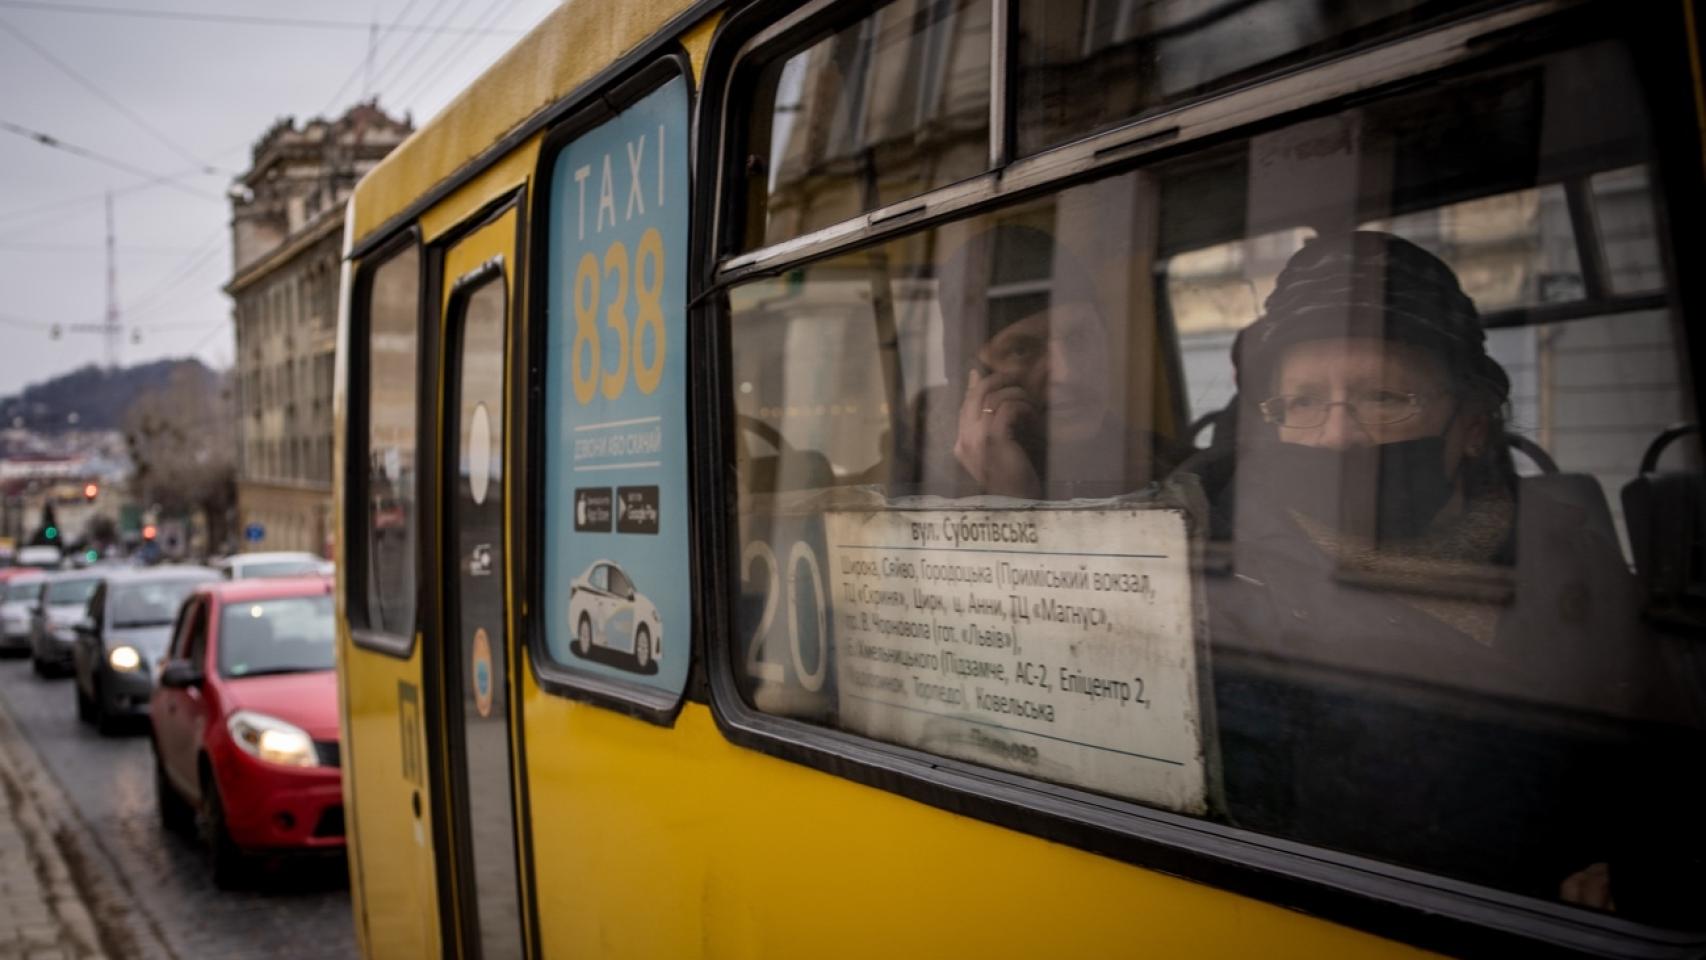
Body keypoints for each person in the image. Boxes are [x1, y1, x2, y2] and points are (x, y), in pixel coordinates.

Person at [1201, 230, 1703, 921]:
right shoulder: (1234, 574)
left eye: (1383, 397)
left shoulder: (1564, 542)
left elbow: (1666, 746)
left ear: (1470, 423)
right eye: (1305, 402)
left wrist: (1644, 869)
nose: (1337, 434)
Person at [910, 222, 1177, 498]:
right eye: (1021, 350)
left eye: (1078, 338)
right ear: (970, 374)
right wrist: (1012, 505)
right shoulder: (905, 491)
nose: (1068, 374)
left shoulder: (1176, 472)